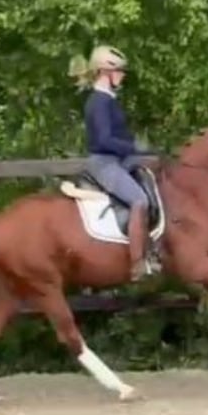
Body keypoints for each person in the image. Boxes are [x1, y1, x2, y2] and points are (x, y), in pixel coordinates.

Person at [68, 45, 161, 280]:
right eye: (118, 71)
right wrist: (133, 148)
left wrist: (138, 149)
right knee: (138, 199)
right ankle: (138, 263)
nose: (122, 76)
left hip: (119, 161)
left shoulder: (109, 99)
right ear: (104, 73)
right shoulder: (98, 102)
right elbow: (104, 139)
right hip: (104, 163)